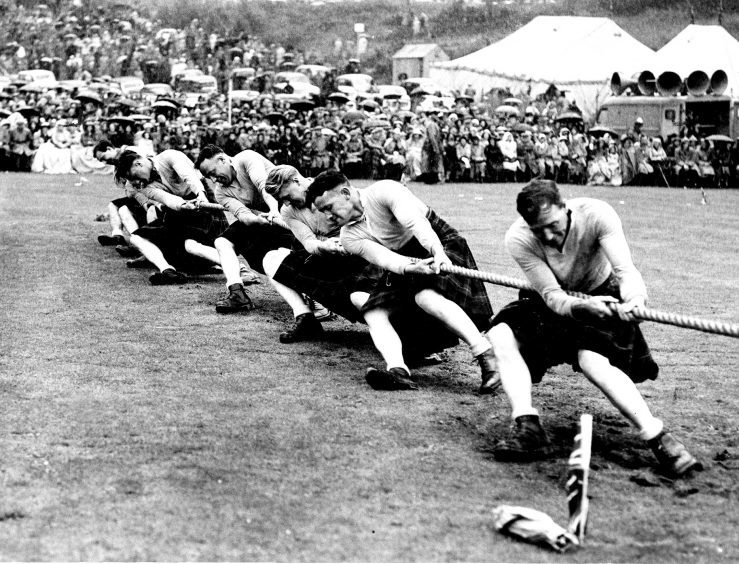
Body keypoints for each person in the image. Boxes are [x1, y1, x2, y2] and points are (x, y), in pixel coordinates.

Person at [486, 179, 700, 477]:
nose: (548, 235)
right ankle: (528, 426)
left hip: (601, 292)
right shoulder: (518, 239)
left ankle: (658, 438)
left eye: (553, 224)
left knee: (592, 360)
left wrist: (635, 300)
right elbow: (553, 297)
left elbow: (626, 272)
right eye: (539, 230)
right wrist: (582, 307)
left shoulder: (597, 214)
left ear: (565, 207)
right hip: (555, 301)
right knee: (500, 334)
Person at [307, 171, 499, 394]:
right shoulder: (348, 237)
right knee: (373, 310)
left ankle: (486, 354)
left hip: (439, 242)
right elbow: (384, 258)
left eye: (328, 207)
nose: (328, 217)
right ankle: (398, 371)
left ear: (346, 193)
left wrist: (437, 253)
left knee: (425, 297)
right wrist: (409, 267)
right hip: (403, 261)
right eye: (322, 212)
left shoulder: (384, 191)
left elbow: (416, 223)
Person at [194, 145, 291, 312]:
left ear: (223, 159)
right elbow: (243, 215)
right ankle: (237, 294)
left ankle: (313, 300)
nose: (214, 179)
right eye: (209, 176)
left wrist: (274, 211)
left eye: (213, 172)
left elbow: (264, 186)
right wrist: (258, 219)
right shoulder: (220, 193)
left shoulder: (246, 158)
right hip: (266, 218)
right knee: (223, 242)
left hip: (290, 208)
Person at [114, 149, 227, 285]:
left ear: (138, 164)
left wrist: (201, 197)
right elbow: (167, 199)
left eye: (134, 177)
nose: (136, 183)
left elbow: (191, 178)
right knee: (136, 238)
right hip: (181, 210)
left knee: (191, 246)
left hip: (204, 203)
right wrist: (183, 205)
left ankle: (237, 267)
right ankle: (168, 271)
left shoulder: (169, 156)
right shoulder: (143, 186)